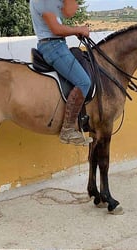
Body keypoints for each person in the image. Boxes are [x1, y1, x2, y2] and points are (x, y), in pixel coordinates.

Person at [29, 0, 93, 146]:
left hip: (57, 44)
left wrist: (74, 31)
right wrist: (78, 30)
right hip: (53, 47)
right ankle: (68, 130)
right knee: (84, 82)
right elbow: (56, 29)